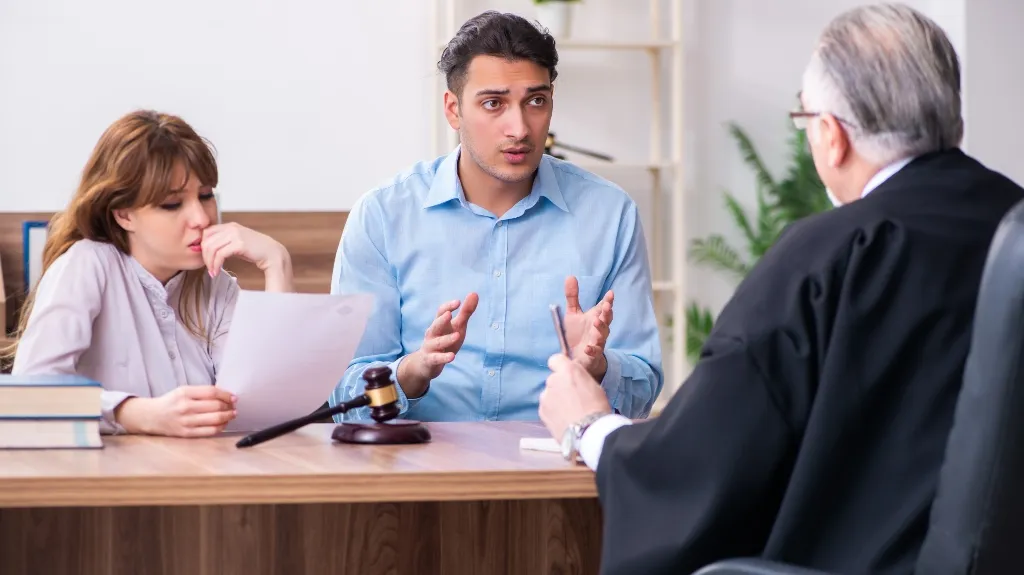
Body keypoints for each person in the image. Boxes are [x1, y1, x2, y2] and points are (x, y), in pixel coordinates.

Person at [537, 4, 1024, 574]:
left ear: (830, 135)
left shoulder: (829, 255)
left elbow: (702, 465)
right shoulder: (1013, 227)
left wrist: (590, 427)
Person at [329, 11, 663, 422]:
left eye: (535, 101)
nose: (519, 128)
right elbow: (343, 396)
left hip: (559, 471)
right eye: (493, 103)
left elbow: (643, 390)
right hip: (420, 474)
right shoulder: (383, 215)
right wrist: (412, 372)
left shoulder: (610, 215)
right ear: (453, 110)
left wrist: (597, 366)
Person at [4, 110, 295, 437]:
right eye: (172, 204)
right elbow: (31, 395)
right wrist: (132, 412)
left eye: (206, 195)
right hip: (106, 478)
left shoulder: (216, 284)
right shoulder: (87, 264)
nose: (201, 217)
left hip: (204, 473)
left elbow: (269, 405)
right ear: (124, 214)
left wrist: (276, 263)